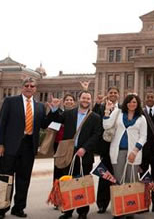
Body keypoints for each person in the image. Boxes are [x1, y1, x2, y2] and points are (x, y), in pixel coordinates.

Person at [0, 77, 50, 219]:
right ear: (22, 87)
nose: (29, 88)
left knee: (24, 179)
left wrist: (54, 110)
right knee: (6, 178)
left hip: (28, 146)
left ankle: (18, 208)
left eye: (32, 86)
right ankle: (2, 208)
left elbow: (44, 125)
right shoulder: (10, 102)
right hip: (10, 147)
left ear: (35, 88)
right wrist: (0, 144)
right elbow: (2, 124)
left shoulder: (39, 106)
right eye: (27, 85)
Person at [48, 91, 102, 219]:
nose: (85, 100)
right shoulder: (68, 114)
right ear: (79, 99)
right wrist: (55, 108)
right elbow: (55, 119)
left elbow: (97, 135)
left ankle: (82, 212)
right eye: (83, 98)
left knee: (83, 184)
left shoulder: (95, 117)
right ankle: (67, 210)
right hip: (68, 154)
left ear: (90, 100)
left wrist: (85, 148)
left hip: (85, 155)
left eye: (88, 98)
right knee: (68, 182)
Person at [103, 93, 147, 218]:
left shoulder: (141, 118)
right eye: (129, 102)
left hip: (134, 153)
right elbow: (106, 125)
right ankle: (118, 208)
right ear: (126, 103)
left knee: (131, 180)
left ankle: (130, 210)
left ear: (137, 104)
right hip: (118, 152)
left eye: (134, 102)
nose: (132, 104)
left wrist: (135, 151)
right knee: (118, 180)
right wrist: (107, 111)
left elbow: (143, 136)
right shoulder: (118, 113)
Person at [92, 86, 120, 214]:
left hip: (120, 148)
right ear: (107, 95)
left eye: (115, 93)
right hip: (105, 148)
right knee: (105, 177)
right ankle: (102, 204)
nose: (113, 94)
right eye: (111, 92)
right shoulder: (102, 108)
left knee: (119, 177)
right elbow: (94, 118)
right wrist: (97, 104)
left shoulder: (122, 109)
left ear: (118, 95)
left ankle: (120, 204)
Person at [52, 94, 76, 184]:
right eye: (67, 100)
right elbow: (53, 120)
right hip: (59, 144)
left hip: (71, 144)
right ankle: (57, 192)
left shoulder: (77, 114)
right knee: (58, 168)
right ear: (63, 102)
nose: (69, 101)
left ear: (74, 103)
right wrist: (54, 108)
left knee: (69, 168)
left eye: (71, 100)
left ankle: (68, 191)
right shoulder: (59, 113)